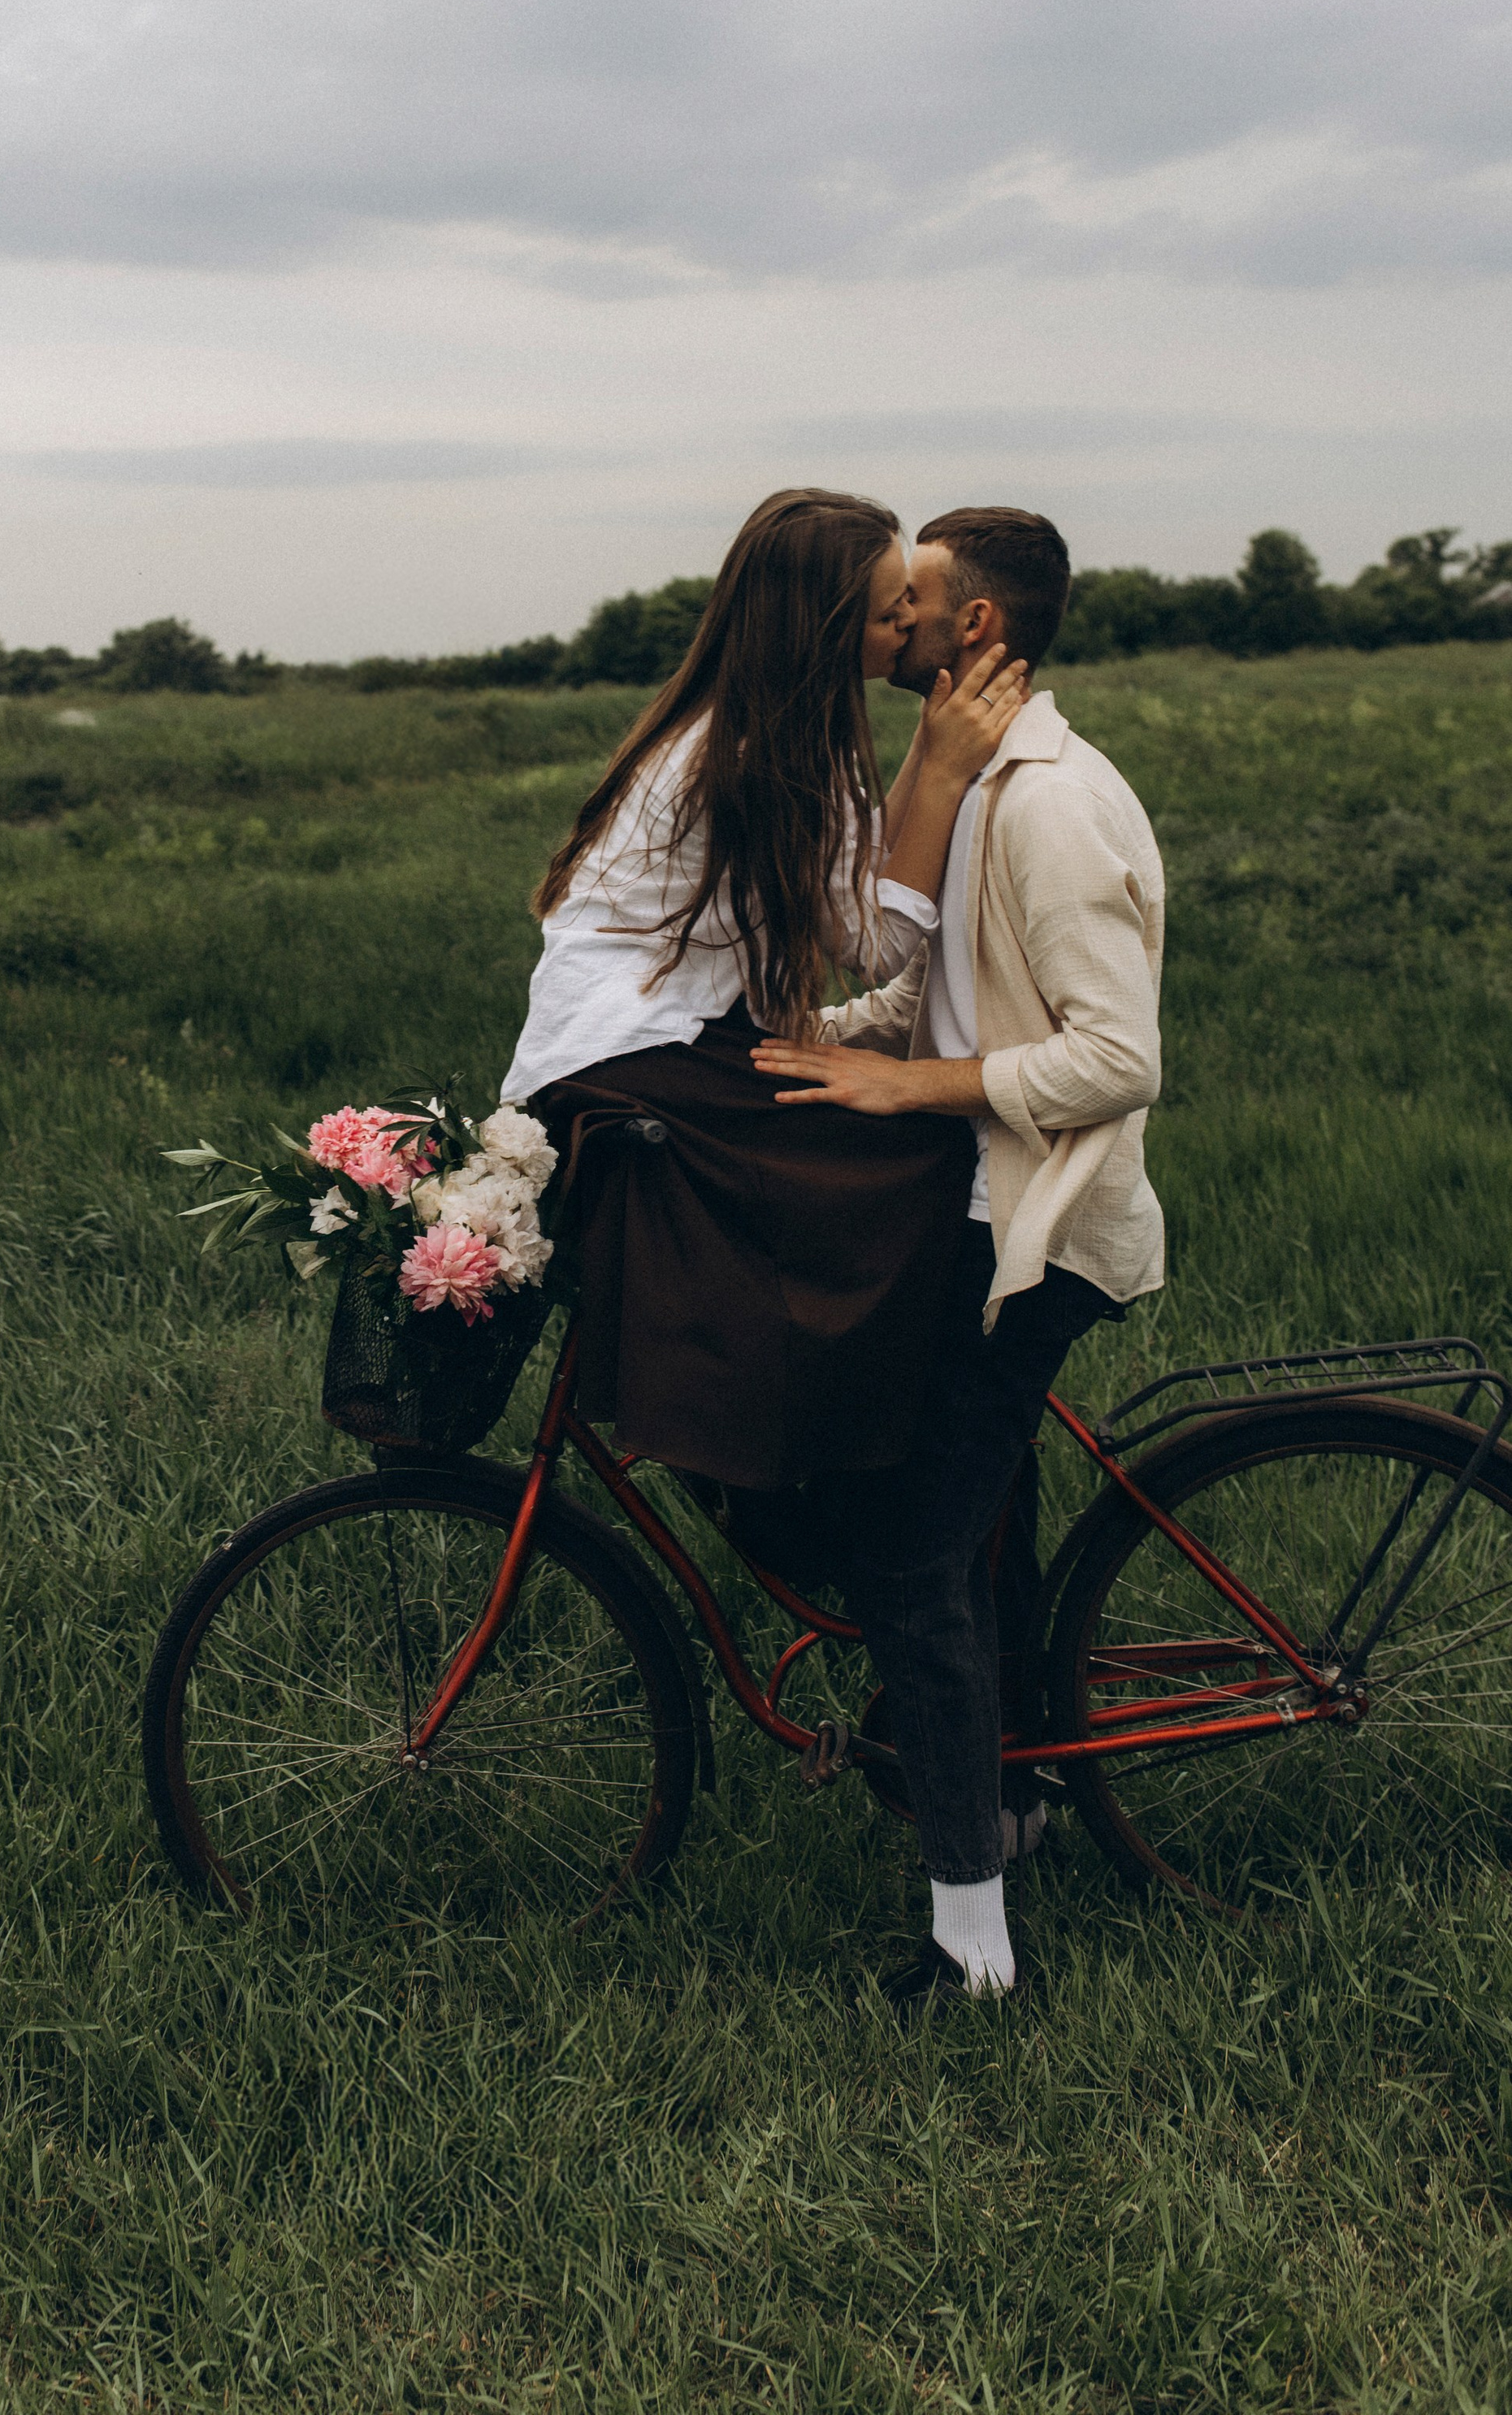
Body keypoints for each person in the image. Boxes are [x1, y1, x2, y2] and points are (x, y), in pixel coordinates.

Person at [752, 505, 1166, 2010]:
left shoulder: (1051, 803)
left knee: (912, 1560)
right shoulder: (980, 773)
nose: (889, 618)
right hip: (975, 1208)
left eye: (909, 599)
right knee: (968, 1531)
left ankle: (974, 1944)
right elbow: (945, 995)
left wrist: (901, 1084)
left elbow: (1116, 1059)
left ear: (974, 626)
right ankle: (1025, 1792)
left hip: (1033, 1234)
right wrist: (815, 1050)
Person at [503, 488, 1027, 1502]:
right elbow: (874, 940)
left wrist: (927, 741)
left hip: (608, 1055)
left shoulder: (731, 724)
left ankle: (808, 1448)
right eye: (887, 614)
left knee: (844, 1165)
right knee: (908, 1163)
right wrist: (952, 769)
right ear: (825, 628)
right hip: (640, 1059)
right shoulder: (771, 755)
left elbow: (851, 884)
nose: (908, 625)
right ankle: (863, 1460)